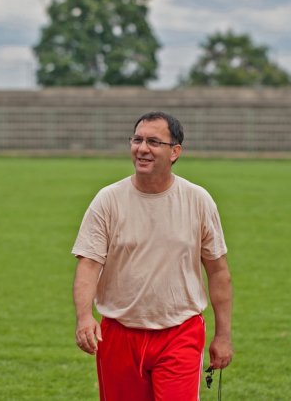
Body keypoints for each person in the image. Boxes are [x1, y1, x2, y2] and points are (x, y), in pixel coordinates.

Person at [72, 111, 233, 401]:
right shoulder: (108, 200)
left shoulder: (198, 200)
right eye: (137, 140)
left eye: (154, 142)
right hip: (118, 334)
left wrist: (223, 336)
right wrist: (84, 317)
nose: (142, 148)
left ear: (175, 152)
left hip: (180, 332)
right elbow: (88, 264)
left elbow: (218, 271)